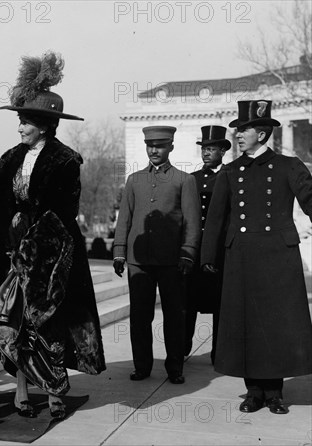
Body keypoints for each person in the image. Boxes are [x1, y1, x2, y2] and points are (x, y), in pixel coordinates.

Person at [0, 52, 106, 421]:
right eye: (20, 120)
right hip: (8, 257)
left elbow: (63, 212)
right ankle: (21, 389)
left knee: (48, 325)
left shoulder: (65, 161)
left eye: (25, 121)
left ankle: (56, 392)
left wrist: (31, 234)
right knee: (12, 325)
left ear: (43, 125)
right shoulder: (11, 157)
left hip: (49, 259)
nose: (20, 126)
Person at [201, 100, 312, 415]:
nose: (237, 135)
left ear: (262, 134)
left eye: (244, 129)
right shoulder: (231, 171)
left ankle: (274, 392)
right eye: (237, 129)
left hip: (278, 257)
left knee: (274, 325)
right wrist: (209, 255)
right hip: (242, 258)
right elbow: (217, 219)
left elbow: (310, 199)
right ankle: (253, 392)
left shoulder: (289, 166)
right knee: (246, 324)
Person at [112, 126, 201, 384]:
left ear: (170, 147)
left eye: (160, 146)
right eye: (150, 146)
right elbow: (124, 219)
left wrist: (187, 254)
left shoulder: (184, 180)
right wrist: (119, 252)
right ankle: (142, 366)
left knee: (175, 316)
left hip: (172, 261)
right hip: (138, 261)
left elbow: (192, 223)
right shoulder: (135, 180)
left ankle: (175, 368)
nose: (154, 151)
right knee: (140, 316)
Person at [184, 125, 230, 364]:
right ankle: (183, 347)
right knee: (188, 301)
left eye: (211, 148)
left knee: (220, 304)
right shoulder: (193, 179)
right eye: (204, 149)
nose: (206, 153)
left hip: (220, 251)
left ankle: (218, 352)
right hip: (195, 248)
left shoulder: (230, 176)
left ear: (222, 150)